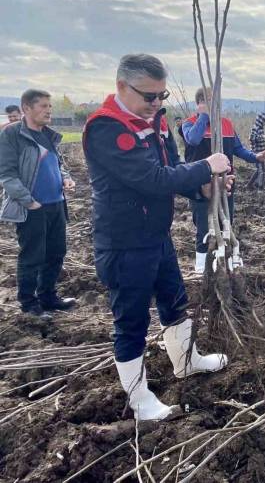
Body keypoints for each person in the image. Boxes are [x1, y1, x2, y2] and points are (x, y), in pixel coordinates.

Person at [83, 54, 233, 421]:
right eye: (148, 96)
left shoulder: (155, 123)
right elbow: (150, 179)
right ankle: (140, 400)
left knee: (173, 299)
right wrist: (205, 166)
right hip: (124, 242)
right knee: (131, 321)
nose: (155, 104)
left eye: (161, 96)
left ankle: (186, 361)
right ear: (121, 87)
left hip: (156, 234)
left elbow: (170, 173)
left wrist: (203, 190)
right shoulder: (108, 128)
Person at [0, 89, 76, 316]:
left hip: (56, 204)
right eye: (43, 106)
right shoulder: (13, 134)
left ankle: (48, 296)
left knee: (56, 252)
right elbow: (6, 174)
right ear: (26, 108)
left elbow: (58, 164)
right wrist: (28, 201)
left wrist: (66, 178)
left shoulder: (48, 135)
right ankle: (29, 303)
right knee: (33, 255)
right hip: (32, 207)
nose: (48, 110)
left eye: (49, 106)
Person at [182, 88, 265, 273]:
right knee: (203, 225)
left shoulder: (226, 124)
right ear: (200, 103)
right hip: (200, 185)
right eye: (211, 101)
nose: (217, 105)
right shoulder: (189, 124)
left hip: (226, 184)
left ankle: (227, 260)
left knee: (226, 221)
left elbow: (238, 149)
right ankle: (202, 267)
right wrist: (203, 116)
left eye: (217, 101)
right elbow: (193, 140)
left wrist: (256, 157)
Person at [247, 112, 265, 189]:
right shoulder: (255, 128)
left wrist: (264, 137)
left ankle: (257, 185)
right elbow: (252, 138)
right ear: (260, 121)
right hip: (257, 152)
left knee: (262, 169)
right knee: (260, 170)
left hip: (261, 152)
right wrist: (264, 138)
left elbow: (258, 137)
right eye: (264, 122)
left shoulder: (260, 129)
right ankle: (257, 186)